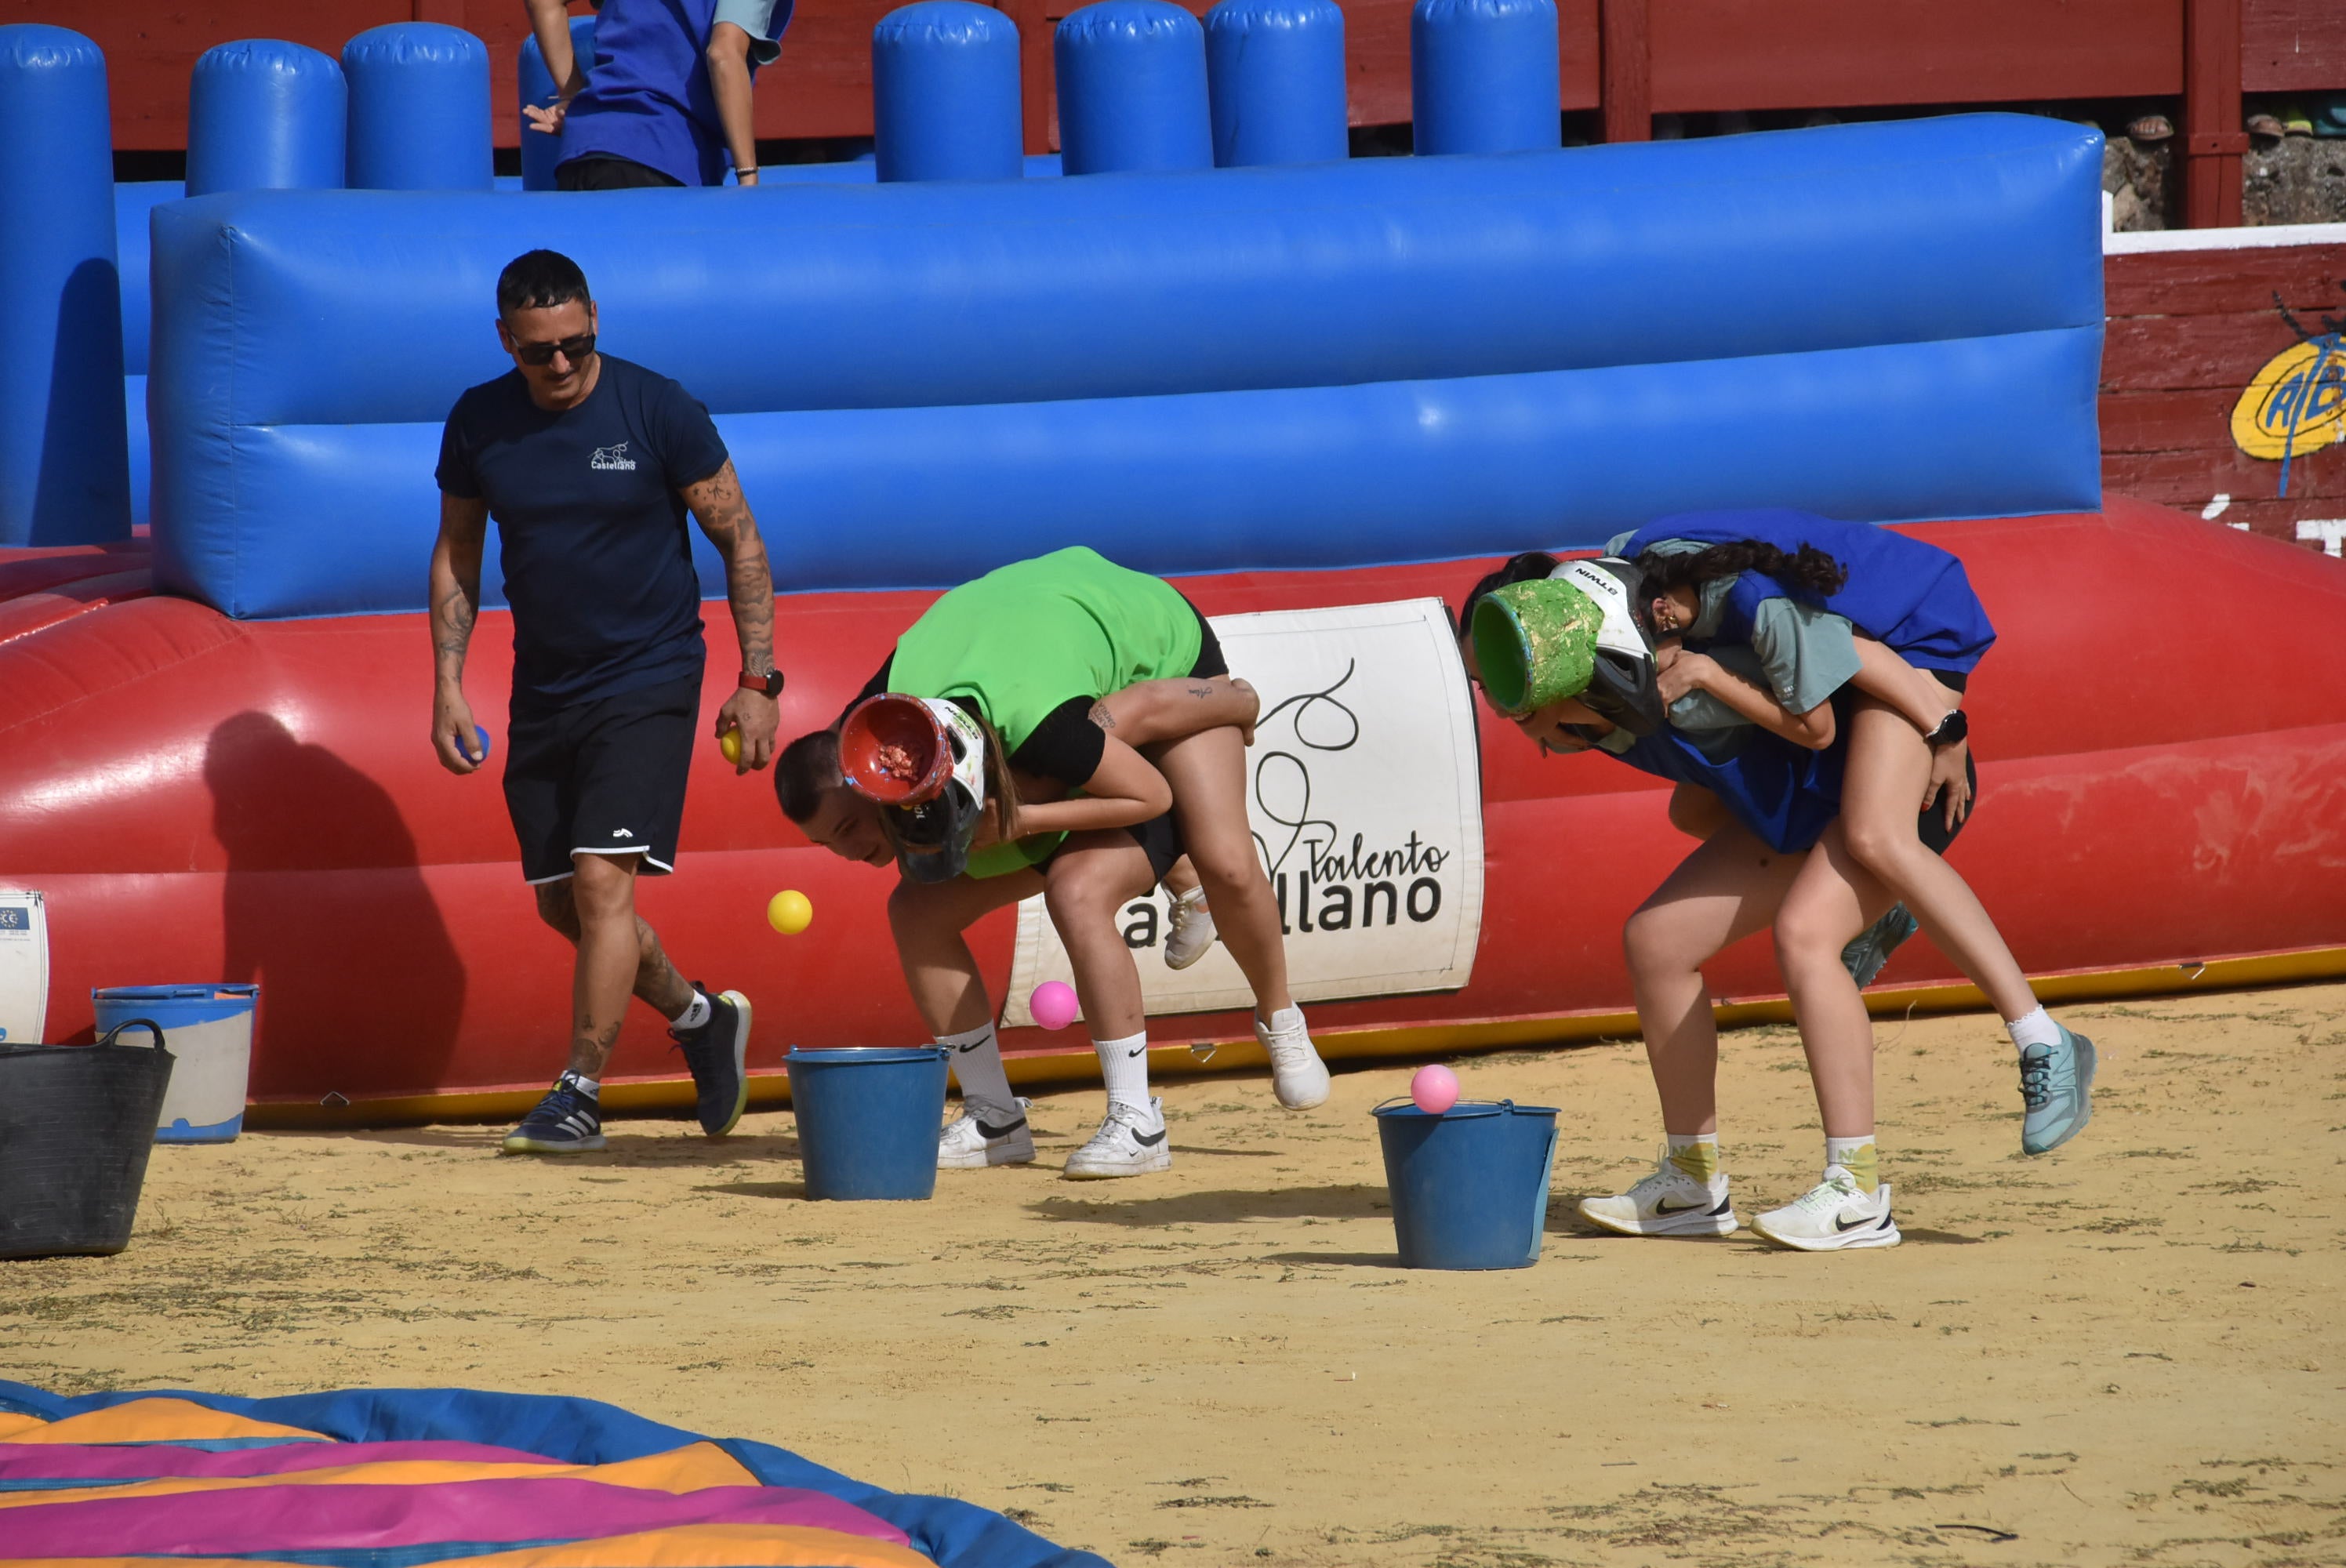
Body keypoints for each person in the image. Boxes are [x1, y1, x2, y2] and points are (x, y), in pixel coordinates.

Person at [1460, 553, 1976, 1250]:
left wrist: (1942, 729)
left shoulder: (1668, 633)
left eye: (1500, 674)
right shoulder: (1603, 702)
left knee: (1804, 937)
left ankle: (1857, 1192)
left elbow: (1847, 664)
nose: (1497, 700)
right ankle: (1692, 1183)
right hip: (1797, 809)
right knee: (1658, 942)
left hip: (1886, 775)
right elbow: (1700, 790)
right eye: (1484, 682)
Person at [777, 548, 1328, 1178]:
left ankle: (1261, 1028)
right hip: (1034, 656)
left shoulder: (1046, 727)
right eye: (830, 844)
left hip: (1155, 651)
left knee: (1213, 860)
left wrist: (1024, 822)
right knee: (916, 909)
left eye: (850, 829)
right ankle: (994, 1118)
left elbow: (1153, 794)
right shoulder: (875, 735)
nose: (849, 854)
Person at [430, 249, 780, 1155]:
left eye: (575, 346)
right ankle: (700, 1015)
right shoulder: (478, 421)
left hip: (651, 674)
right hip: (543, 685)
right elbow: (458, 553)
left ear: (594, 322)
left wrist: (756, 680)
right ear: (506, 338)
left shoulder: (656, 407)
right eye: (538, 350)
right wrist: (447, 684)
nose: (558, 366)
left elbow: (738, 535)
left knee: (600, 881)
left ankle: (579, 1091)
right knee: (566, 907)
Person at [1614, 510, 2095, 1158]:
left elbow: (1856, 665)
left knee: (1874, 837)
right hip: (1851, 659)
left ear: (1664, 612)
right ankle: (1881, 906)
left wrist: (1944, 729)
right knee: (1694, 815)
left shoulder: (1759, 605)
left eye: (1645, 653)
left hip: (1915, 637)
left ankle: (2042, 1037)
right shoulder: (1644, 577)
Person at [523, 0, 792, 189]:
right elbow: (724, 54)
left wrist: (573, 95)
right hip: (665, 156)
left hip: (581, 154)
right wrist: (748, 177)